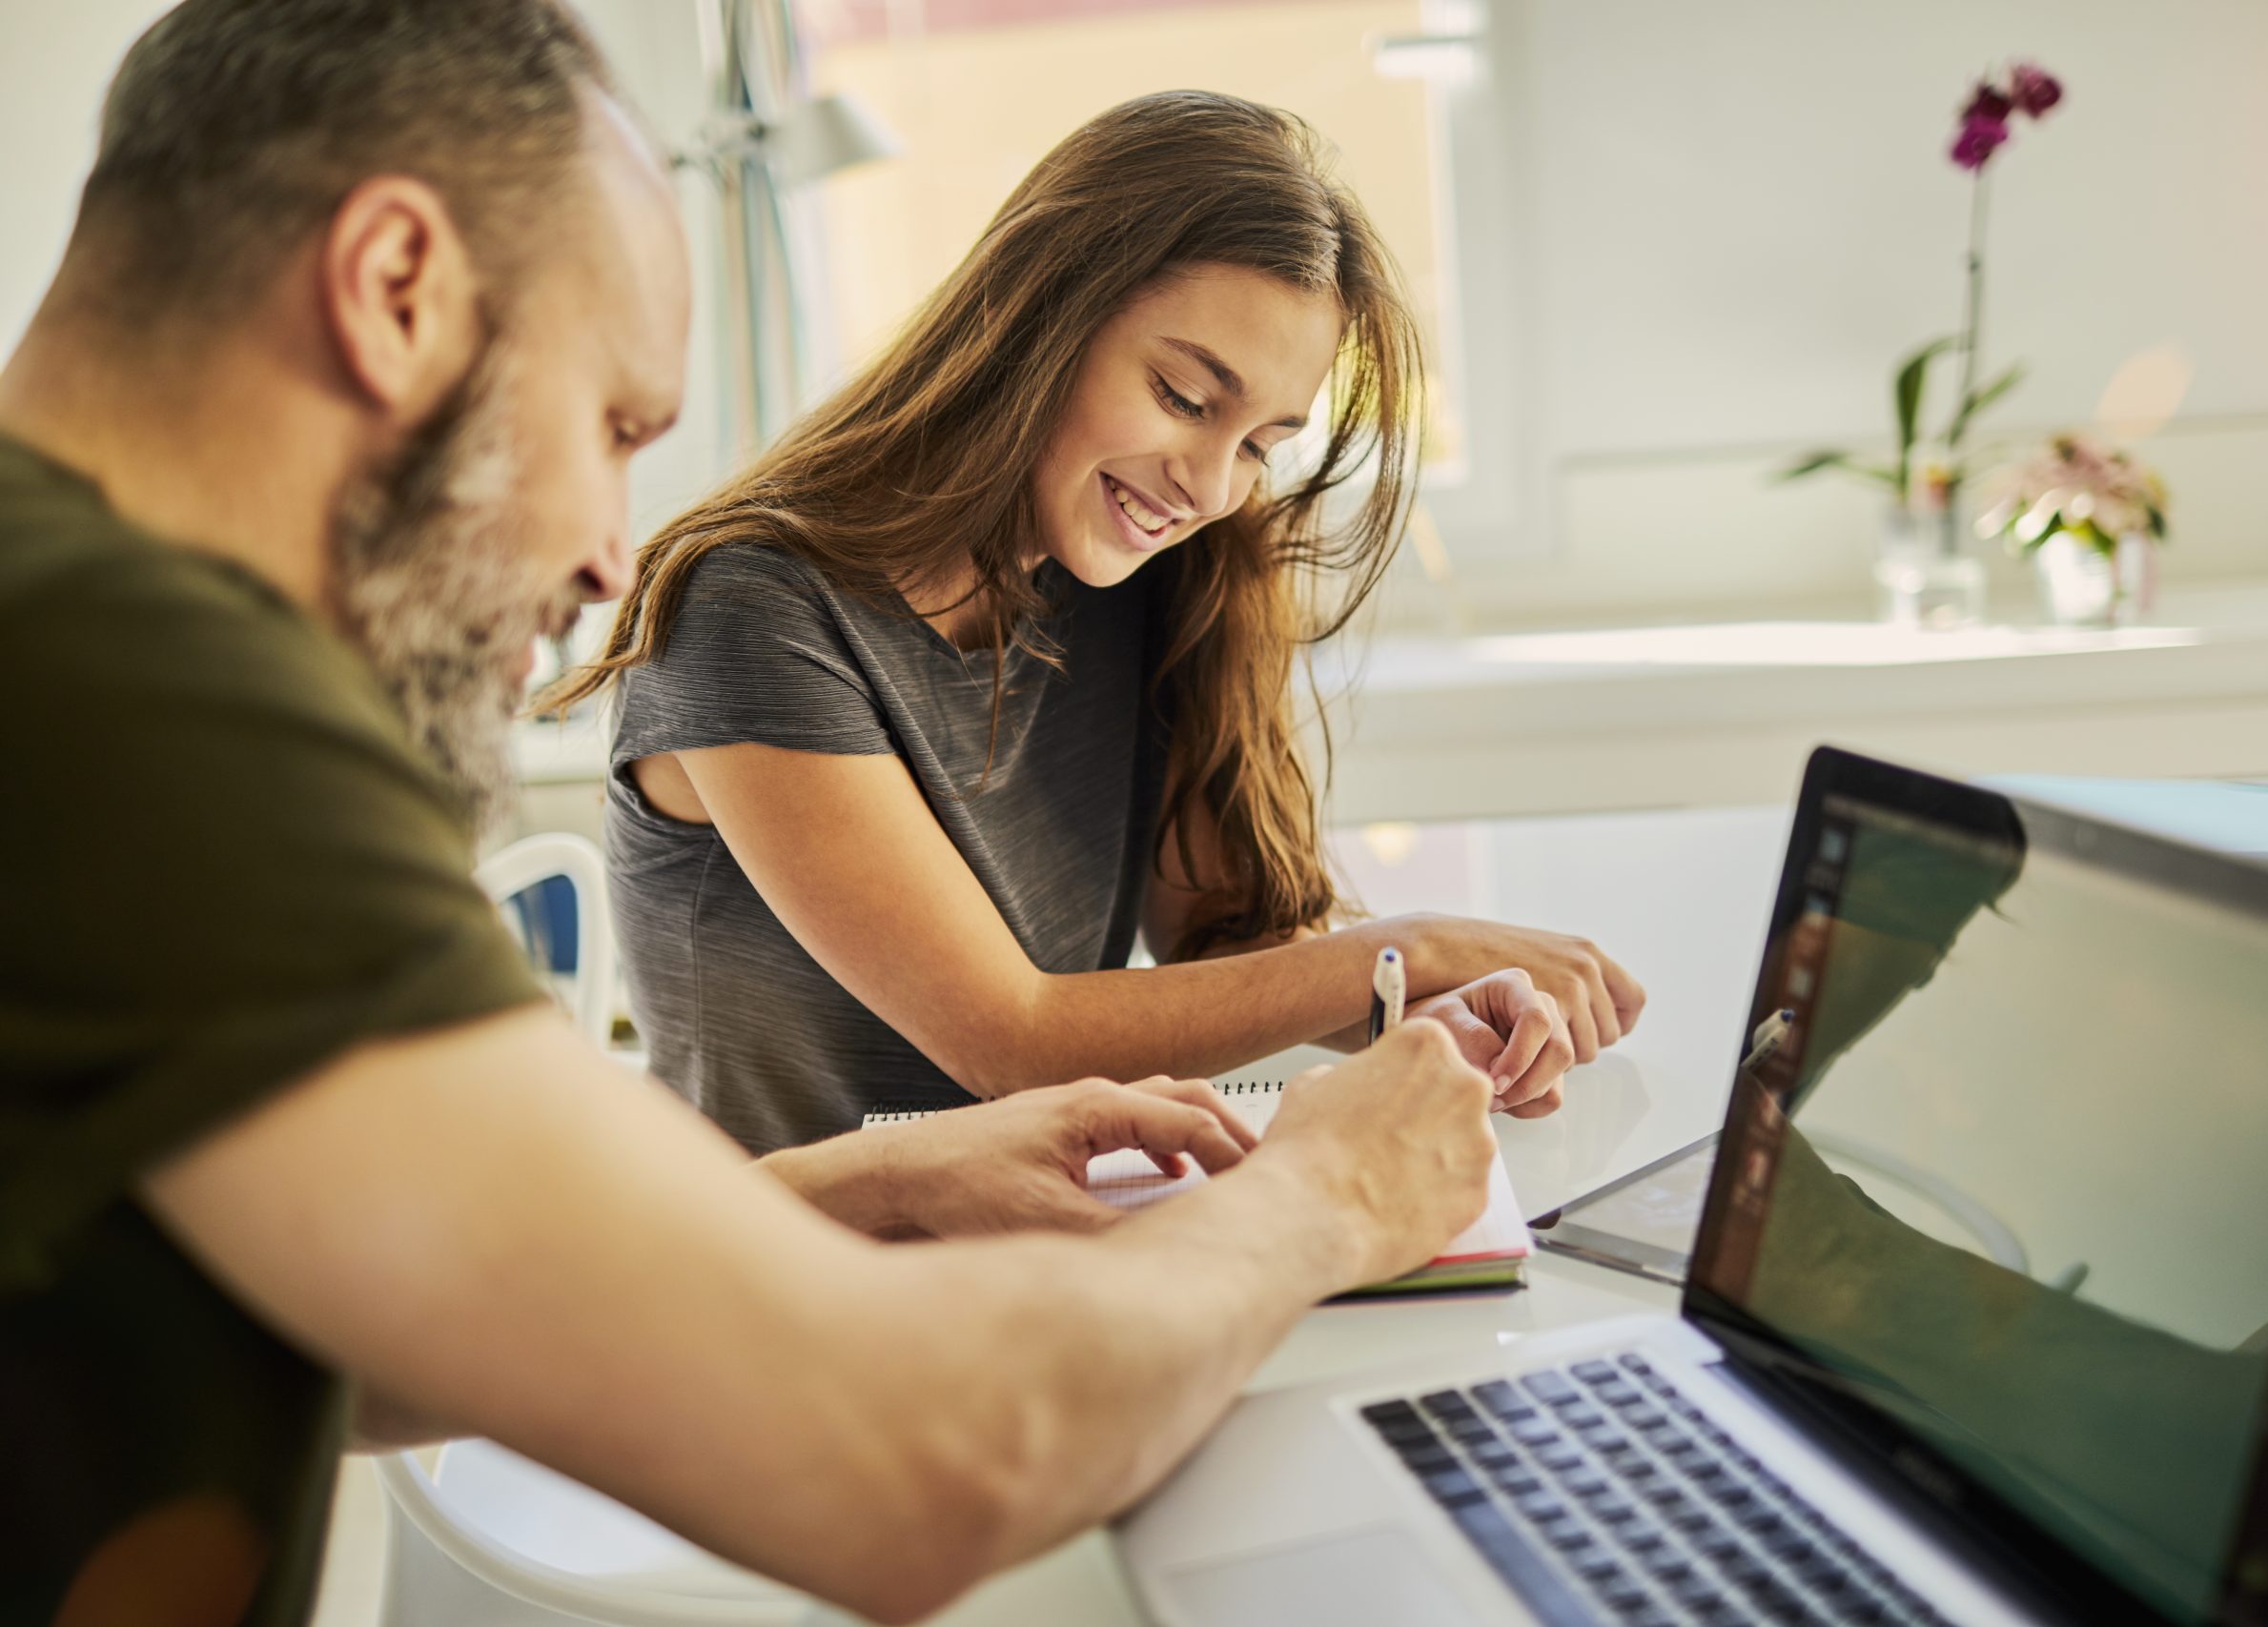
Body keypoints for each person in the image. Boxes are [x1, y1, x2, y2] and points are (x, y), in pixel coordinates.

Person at [0, 5, 1502, 1623]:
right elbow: (920, 1468)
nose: (603, 560)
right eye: (614, 426)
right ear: (393, 290)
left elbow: (352, 1331)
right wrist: (1330, 1194)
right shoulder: (134, 702)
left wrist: (887, 1177)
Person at [541, 91, 1647, 1149]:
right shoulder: (750, 607)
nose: (1212, 485)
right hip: (788, 1274)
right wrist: (1409, 946)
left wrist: (1415, 1014)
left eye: (1261, 443)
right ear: (1040, 317)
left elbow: (1224, 939)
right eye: (1183, 398)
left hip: (1045, 1230)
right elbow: (1010, 1039)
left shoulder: (1138, 580)